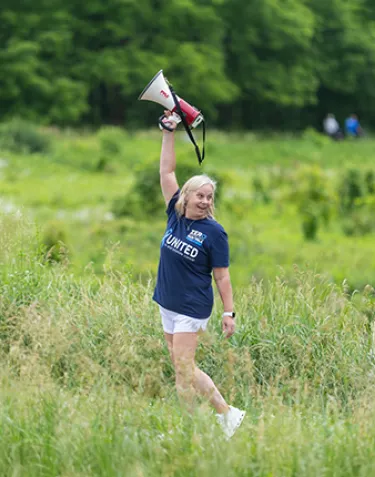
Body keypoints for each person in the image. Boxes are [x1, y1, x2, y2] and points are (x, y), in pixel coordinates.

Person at [153, 110, 246, 440]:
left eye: (210, 197)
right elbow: (167, 170)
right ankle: (190, 430)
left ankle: (227, 414)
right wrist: (169, 132)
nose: (206, 201)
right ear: (187, 196)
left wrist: (228, 312)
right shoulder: (175, 215)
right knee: (181, 372)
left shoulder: (214, 232)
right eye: (200, 195)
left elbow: (222, 276)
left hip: (191, 307)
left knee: (184, 367)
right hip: (167, 301)